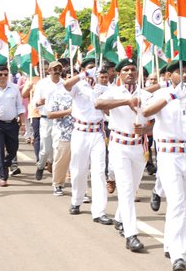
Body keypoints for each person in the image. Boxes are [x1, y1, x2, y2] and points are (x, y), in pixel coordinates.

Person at [142, 60, 186, 271]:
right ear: (169, 76)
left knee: (183, 202)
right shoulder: (161, 95)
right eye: (180, 72)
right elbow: (146, 112)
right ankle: (179, 255)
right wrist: (170, 97)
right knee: (178, 202)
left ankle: (170, 243)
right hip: (169, 155)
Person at [97, 58, 149, 252]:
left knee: (133, 187)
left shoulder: (144, 93)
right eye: (125, 70)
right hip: (119, 145)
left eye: (133, 69)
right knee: (126, 190)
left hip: (138, 146)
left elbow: (153, 118)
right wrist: (126, 101)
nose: (130, 73)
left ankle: (120, 218)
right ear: (118, 74)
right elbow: (99, 104)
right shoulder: (113, 91)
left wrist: (146, 129)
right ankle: (131, 235)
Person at [64, 55, 113, 224]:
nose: (94, 70)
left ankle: (99, 211)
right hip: (80, 132)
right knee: (78, 170)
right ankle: (76, 200)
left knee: (99, 172)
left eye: (96, 67)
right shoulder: (78, 85)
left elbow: (108, 111)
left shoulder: (104, 88)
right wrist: (83, 75)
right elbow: (66, 85)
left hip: (97, 133)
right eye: (91, 67)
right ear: (84, 69)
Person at [0, 66, 26, 187]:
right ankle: (3, 176)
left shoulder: (14, 88)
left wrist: (22, 124)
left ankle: (3, 164)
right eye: (0, 74)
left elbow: (20, 106)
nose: (3, 77)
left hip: (12, 123)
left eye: (5, 74)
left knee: (13, 149)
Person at [44, 72, 75, 197]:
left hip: (81, 133)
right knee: (61, 160)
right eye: (69, 78)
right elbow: (50, 114)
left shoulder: (83, 94)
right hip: (63, 133)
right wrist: (69, 111)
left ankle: (80, 190)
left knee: (80, 162)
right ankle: (58, 184)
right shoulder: (57, 95)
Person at [32, 62, 65, 180]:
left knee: (58, 148)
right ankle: (41, 166)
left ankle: (56, 177)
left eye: (59, 69)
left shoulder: (64, 84)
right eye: (54, 69)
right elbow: (33, 103)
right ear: (49, 70)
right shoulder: (42, 84)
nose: (57, 71)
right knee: (45, 149)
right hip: (46, 119)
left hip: (61, 120)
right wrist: (38, 102)